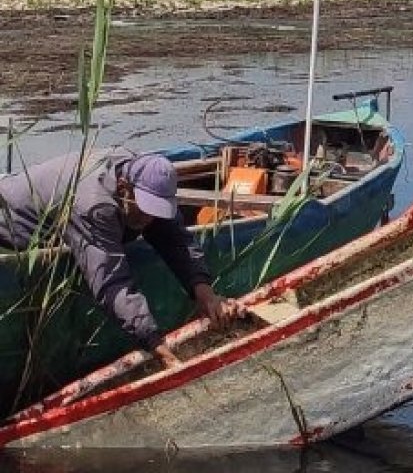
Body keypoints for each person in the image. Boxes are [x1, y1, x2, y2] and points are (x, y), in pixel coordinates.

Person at [0, 148, 246, 368]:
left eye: (156, 212)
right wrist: (156, 345)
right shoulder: (93, 206)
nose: (149, 220)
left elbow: (177, 241)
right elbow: (111, 281)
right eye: (144, 210)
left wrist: (205, 294)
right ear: (122, 188)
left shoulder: (148, 182)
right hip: (10, 227)